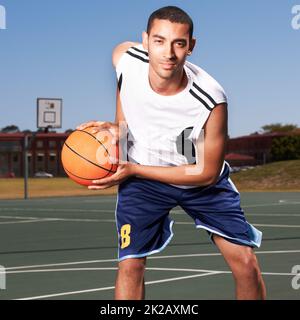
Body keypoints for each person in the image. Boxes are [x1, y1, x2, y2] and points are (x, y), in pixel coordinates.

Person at [77, 6, 266, 300]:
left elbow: (205, 173)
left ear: (191, 47)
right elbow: (125, 86)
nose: (168, 53)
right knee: (130, 265)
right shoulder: (126, 60)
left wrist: (135, 170)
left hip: (196, 178)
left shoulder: (210, 99)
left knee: (245, 263)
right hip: (144, 182)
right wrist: (118, 128)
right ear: (146, 40)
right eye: (159, 41)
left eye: (179, 43)